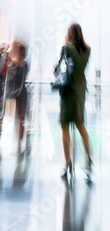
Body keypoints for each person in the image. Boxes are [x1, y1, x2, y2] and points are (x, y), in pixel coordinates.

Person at [57, 23, 92, 178]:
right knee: (80, 125)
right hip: (80, 91)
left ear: (70, 34)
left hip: (68, 91)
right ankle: (89, 159)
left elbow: (60, 67)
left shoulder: (67, 49)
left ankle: (68, 163)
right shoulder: (87, 50)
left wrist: (65, 45)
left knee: (65, 126)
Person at [6, 40, 29, 153]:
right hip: (16, 93)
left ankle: (19, 144)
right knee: (17, 119)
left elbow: (11, 78)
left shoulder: (17, 64)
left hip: (19, 93)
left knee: (20, 118)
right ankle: (18, 144)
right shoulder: (14, 63)